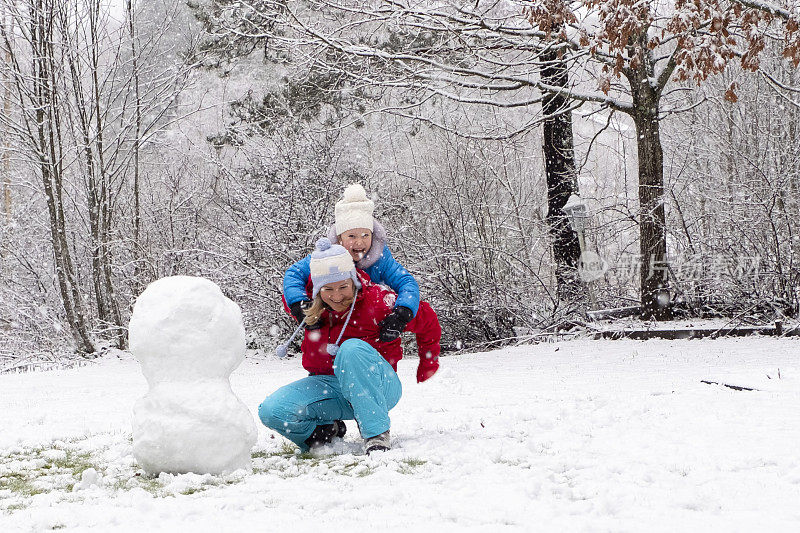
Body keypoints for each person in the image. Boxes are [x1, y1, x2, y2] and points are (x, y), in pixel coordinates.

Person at [260, 238, 440, 454]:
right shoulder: (310, 310)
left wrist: (428, 362)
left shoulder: (378, 300)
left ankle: (376, 434)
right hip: (332, 388)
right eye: (328, 289)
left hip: (379, 386)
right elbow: (292, 280)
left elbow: (427, 320)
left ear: (353, 281)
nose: (336, 296)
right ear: (317, 290)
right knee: (272, 411)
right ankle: (326, 431)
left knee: (351, 349)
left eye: (343, 287)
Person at [283, 183, 419, 343]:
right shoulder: (326, 257)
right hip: (333, 326)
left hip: (367, 329)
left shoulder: (380, 259)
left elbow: (406, 282)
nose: (359, 243)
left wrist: (402, 312)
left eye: (365, 235)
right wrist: (299, 303)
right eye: (352, 236)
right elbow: (294, 274)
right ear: (340, 238)